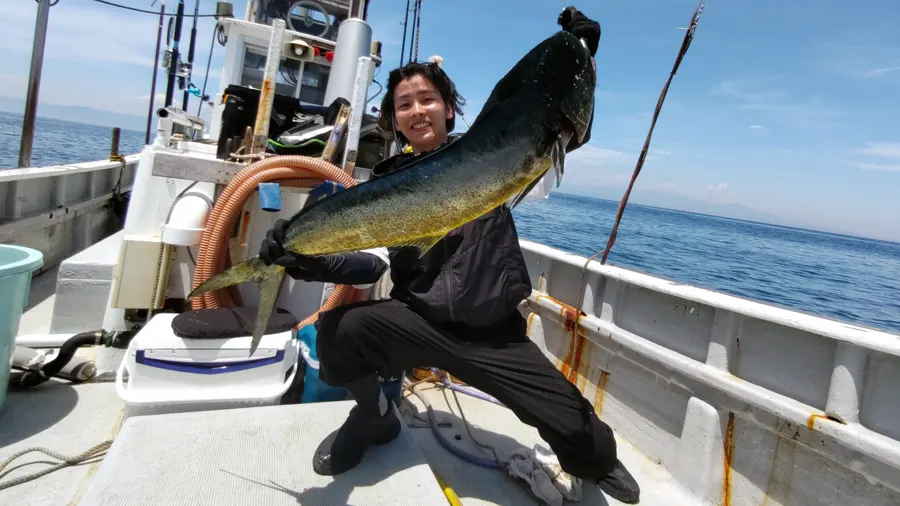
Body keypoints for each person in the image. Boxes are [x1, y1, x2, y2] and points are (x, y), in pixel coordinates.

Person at [259, 7, 640, 504]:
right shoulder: (383, 188)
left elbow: (553, 143)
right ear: (394, 119)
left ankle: (595, 458)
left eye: (427, 99)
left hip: (493, 334)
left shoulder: (492, 156)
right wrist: (305, 260)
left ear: (448, 109)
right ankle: (373, 418)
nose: (417, 110)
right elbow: (370, 263)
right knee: (338, 331)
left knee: (579, 428)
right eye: (404, 104)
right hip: (418, 321)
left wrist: (583, 56)